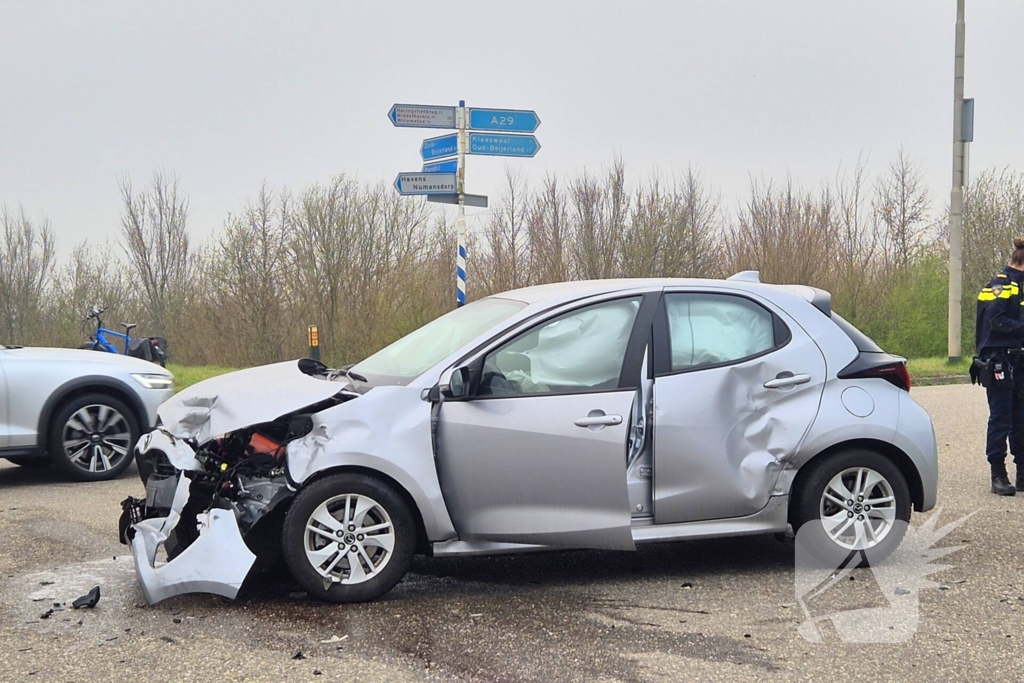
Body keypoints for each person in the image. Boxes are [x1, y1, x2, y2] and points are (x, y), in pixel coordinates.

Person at [975, 237, 1024, 495]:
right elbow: (997, 321)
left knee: (1021, 418)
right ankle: (998, 474)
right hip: (999, 359)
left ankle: (1023, 473)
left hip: (1020, 359)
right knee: (1001, 418)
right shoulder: (1000, 284)